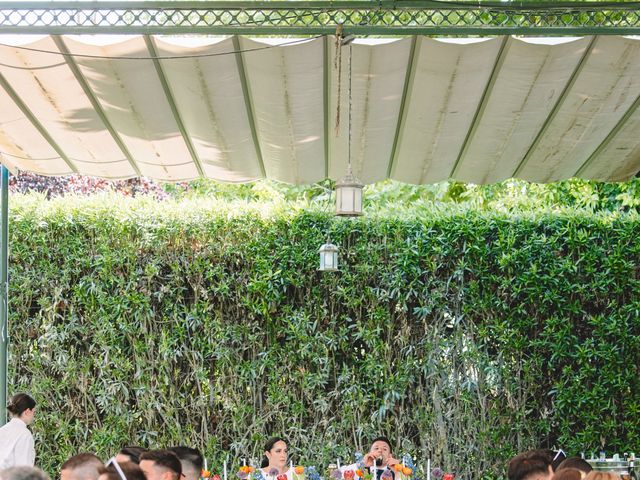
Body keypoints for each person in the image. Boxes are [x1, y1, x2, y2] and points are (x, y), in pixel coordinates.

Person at [0, 393, 37, 469]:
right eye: (34, 412)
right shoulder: (24, 434)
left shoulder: (2, 430)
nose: (34, 416)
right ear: (27, 411)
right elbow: (24, 470)